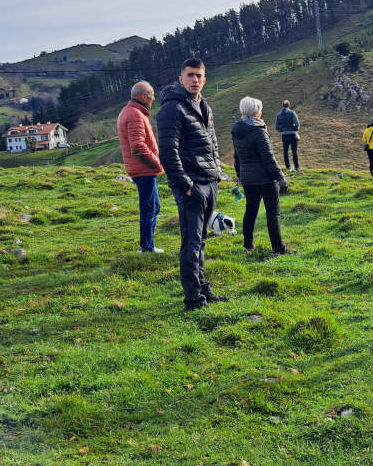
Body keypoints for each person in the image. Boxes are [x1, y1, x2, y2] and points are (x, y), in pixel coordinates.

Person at [156, 57, 227, 310]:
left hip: (210, 181)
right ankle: (193, 299)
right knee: (192, 242)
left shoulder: (204, 106)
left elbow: (213, 143)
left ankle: (202, 289)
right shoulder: (172, 108)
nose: (195, 80)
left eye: (199, 76)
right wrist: (185, 184)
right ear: (181, 78)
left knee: (202, 240)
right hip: (192, 185)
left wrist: (217, 173)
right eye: (190, 75)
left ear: (205, 79)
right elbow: (167, 152)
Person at [232, 96, 292, 255]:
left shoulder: (236, 129)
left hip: (247, 179)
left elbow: (237, 157)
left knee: (250, 212)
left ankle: (248, 246)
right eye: (259, 109)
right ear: (255, 112)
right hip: (265, 179)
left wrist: (240, 175)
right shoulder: (259, 131)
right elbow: (268, 158)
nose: (261, 112)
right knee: (273, 214)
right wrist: (281, 178)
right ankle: (279, 249)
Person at [117, 80, 164, 254]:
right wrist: (157, 162)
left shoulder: (130, 111)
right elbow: (137, 146)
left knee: (153, 206)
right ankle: (146, 247)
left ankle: (148, 244)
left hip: (141, 169)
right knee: (149, 208)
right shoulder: (135, 114)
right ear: (144, 97)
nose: (153, 99)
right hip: (144, 170)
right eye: (152, 95)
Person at [275, 100, 300, 172]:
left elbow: (276, 126)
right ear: (289, 106)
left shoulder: (278, 115)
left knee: (285, 151)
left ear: (282, 106)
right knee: (294, 151)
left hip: (284, 135)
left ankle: (288, 167)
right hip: (292, 134)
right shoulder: (292, 113)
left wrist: (282, 130)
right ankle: (297, 167)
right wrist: (295, 129)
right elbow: (297, 123)